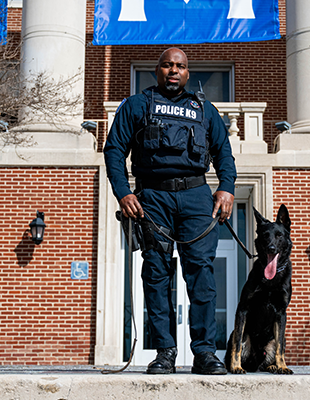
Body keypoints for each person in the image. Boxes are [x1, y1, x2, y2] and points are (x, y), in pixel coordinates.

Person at [103, 48, 236, 375]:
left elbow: (224, 155)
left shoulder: (205, 109)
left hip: (196, 198)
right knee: (156, 274)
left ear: (188, 73)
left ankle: (205, 353)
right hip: (153, 199)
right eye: (167, 65)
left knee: (202, 275)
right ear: (157, 70)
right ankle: (164, 352)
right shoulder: (136, 106)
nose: (173, 71)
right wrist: (122, 193)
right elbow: (114, 151)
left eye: (180, 66)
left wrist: (227, 187)